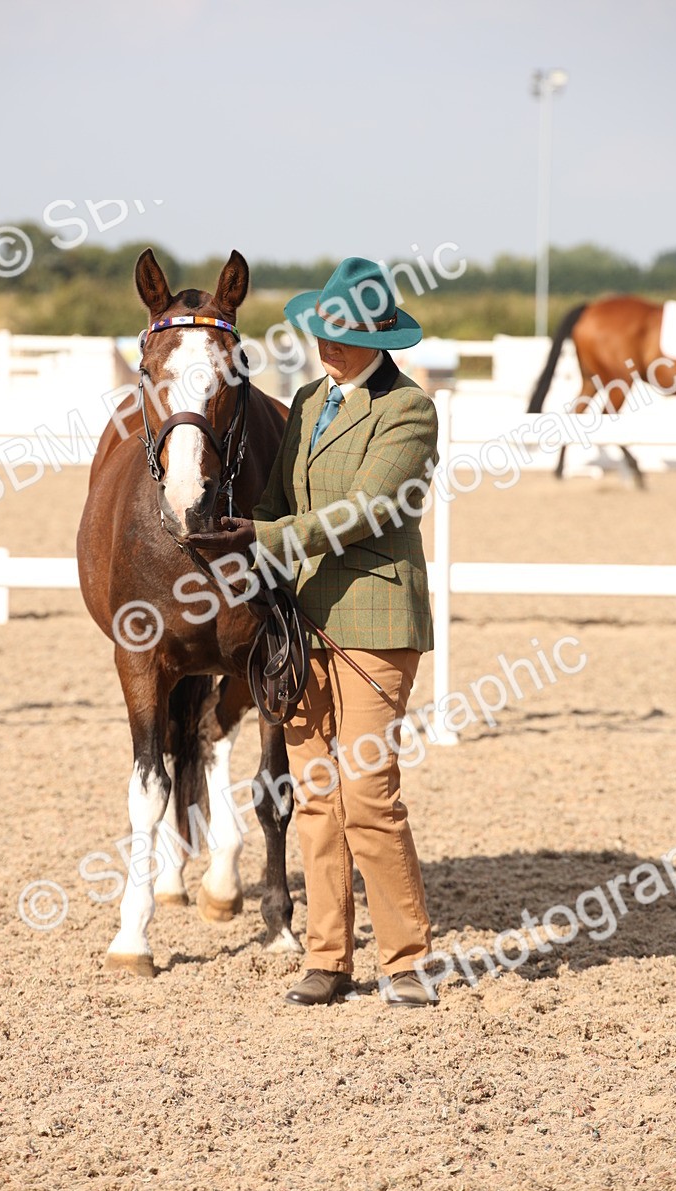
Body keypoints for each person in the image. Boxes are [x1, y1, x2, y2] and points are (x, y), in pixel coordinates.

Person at [189, 257, 438, 1008]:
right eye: (321, 332)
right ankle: (328, 957)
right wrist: (238, 529)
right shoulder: (306, 400)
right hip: (300, 624)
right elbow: (272, 496)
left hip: (372, 620)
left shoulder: (408, 412)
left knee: (367, 793)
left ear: (380, 338)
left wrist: (266, 539)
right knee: (316, 795)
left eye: (343, 335)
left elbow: (370, 509)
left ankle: (406, 960)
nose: (326, 345)